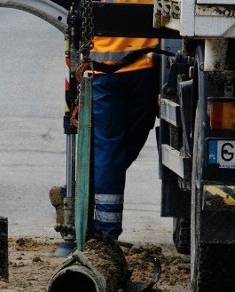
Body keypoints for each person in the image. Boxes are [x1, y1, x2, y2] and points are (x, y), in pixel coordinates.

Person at [89, 0, 159, 241]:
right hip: (143, 67)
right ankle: (106, 230)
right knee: (117, 150)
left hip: (104, 71)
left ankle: (103, 224)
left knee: (109, 150)